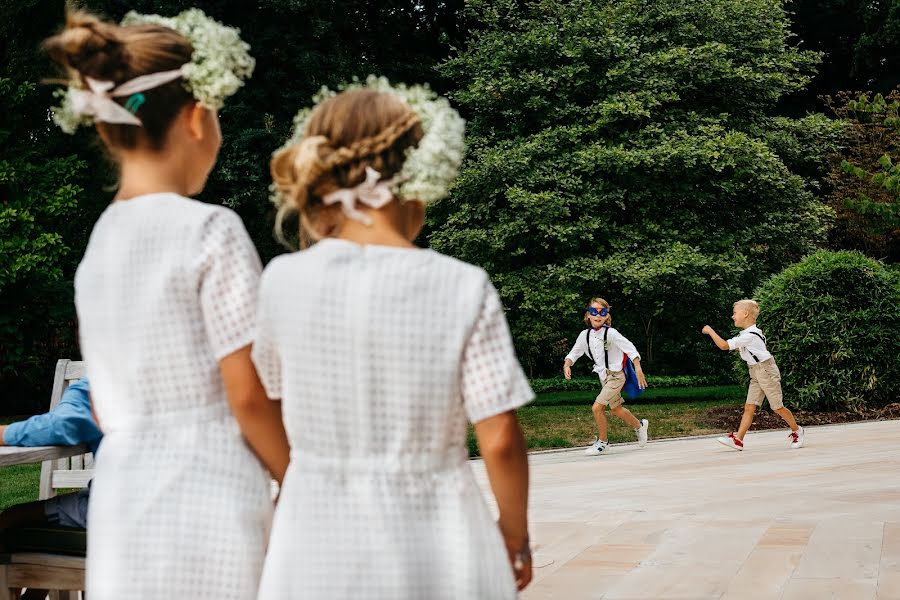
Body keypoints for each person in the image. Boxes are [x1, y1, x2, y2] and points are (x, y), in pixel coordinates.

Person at [254, 80, 533, 598]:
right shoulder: (461, 284)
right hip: (439, 528)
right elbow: (500, 439)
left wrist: (303, 479)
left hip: (316, 533)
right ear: (414, 173)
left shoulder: (280, 281)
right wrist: (514, 534)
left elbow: (263, 399)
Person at [44, 9, 289, 599]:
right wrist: (299, 480)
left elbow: (103, 406)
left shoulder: (98, 248)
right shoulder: (211, 229)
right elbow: (248, 393)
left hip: (123, 499)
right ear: (197, 118)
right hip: (210, 490)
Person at [0, 377, 99, 600]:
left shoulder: (102, 382)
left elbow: (60, 426)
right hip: (178, 509)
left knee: (8, 520)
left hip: (113, 511)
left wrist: (3, 433)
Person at [702, 299, 804, 451]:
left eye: (735, 313)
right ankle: (738, 440)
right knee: (749, 407)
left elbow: (724, 345)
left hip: (766, 371)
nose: (733, 316)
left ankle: (797, 430)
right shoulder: (749, 334)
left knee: (777, 407)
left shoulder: (750, 335)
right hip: (755, 371)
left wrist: (709, 330)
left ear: (745, 314)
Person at [563, 297, 649, 455]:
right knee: (616, 409)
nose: (598, 315)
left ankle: (603, 442)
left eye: (602, 312)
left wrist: (638, 367)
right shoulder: (585, 335)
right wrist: (567, 364)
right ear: (588, 315)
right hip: (604, 377)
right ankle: (640, 425)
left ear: (607, 316)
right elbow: (575, 352)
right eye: (594, 312)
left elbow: (630, 349)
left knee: (597, 408)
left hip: (616, 376)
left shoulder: (612, 333)